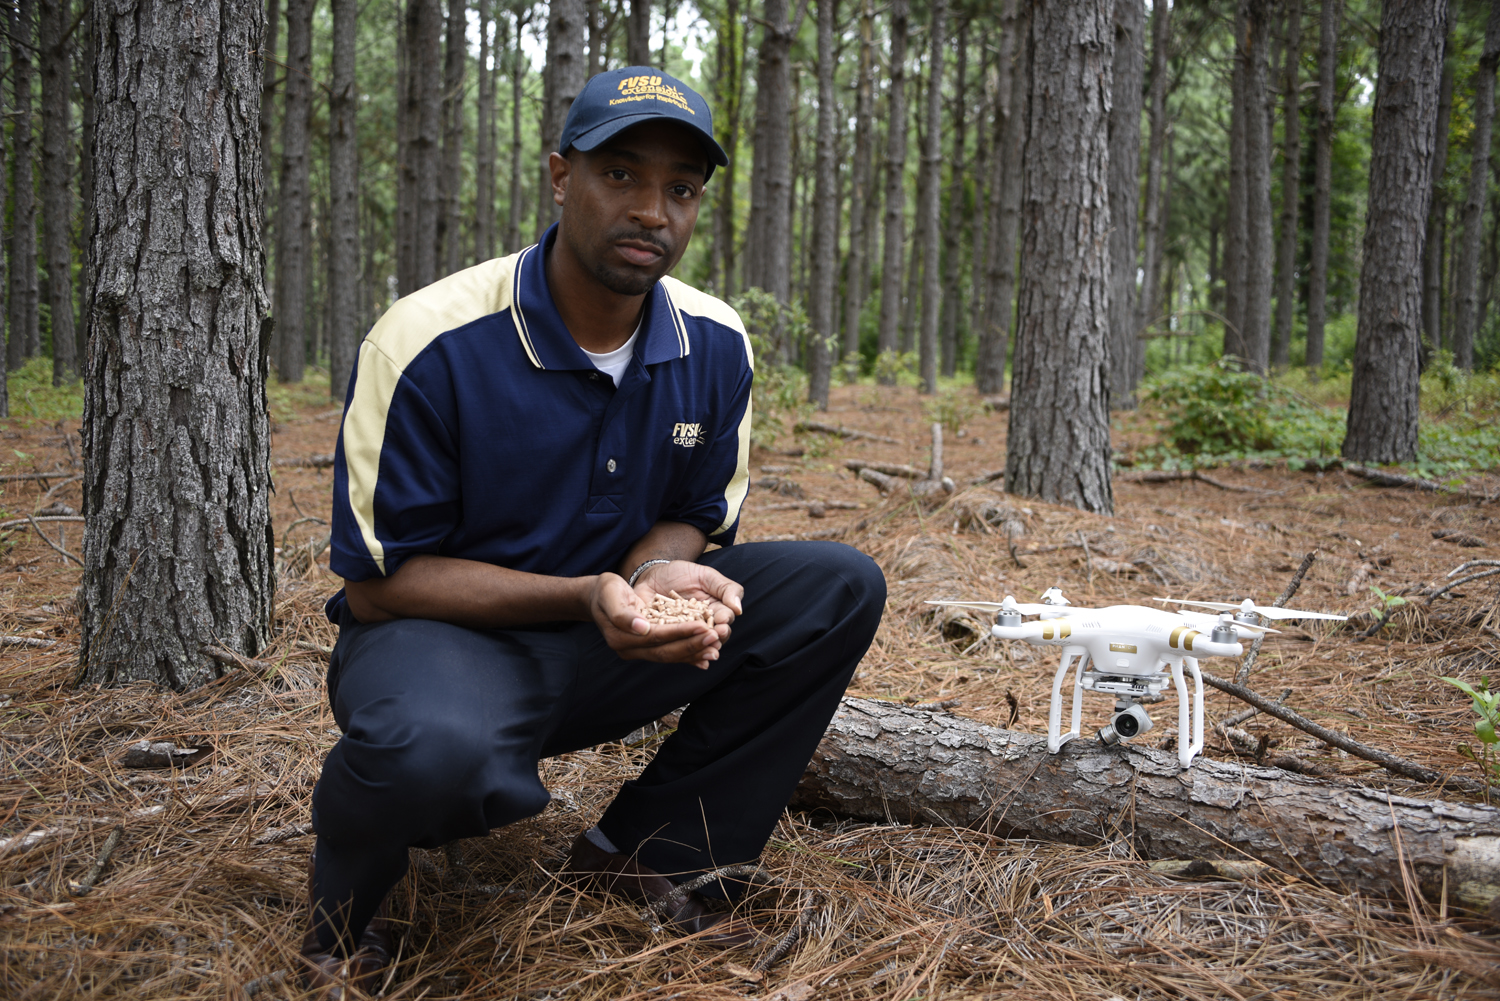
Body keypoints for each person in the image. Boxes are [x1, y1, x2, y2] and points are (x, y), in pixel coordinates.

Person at [299, 66, 886, 994]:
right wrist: (585, 594)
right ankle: (348, 914)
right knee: (431, 748)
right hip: (439, 642)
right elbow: (378, 582)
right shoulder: (429, 342)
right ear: (560, 175)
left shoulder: (715, 342)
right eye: (622, 175)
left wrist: (655, 575)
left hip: (606, 642)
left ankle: (650, 851)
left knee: (836, 587)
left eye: (681, 189)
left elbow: (692, 515)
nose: (653, 210)